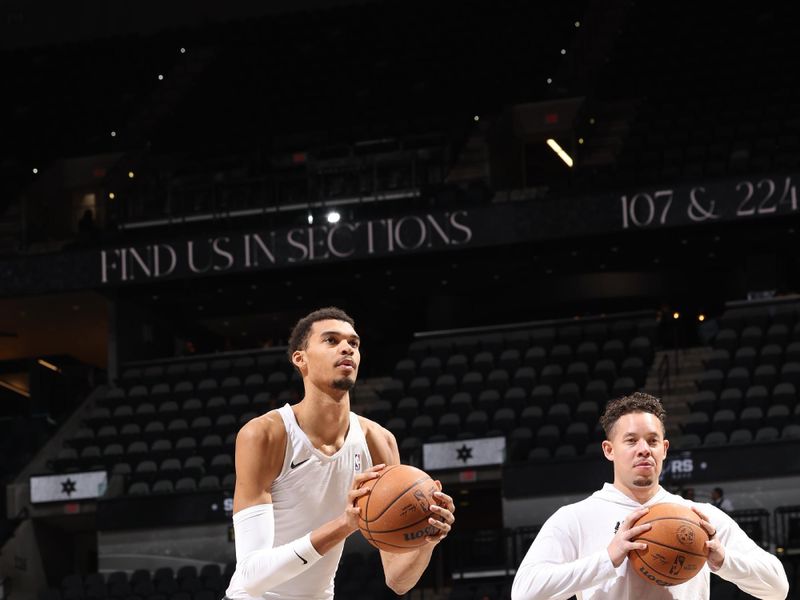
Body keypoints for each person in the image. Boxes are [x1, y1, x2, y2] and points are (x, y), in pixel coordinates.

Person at [224, 307, 455, 600]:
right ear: (300, 359)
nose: (347, 347)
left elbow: (398, 581)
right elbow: (250, 577)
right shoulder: (265, 434)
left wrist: (427, 536)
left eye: (354, 343)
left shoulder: (379, 440)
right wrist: (345, 525)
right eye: (331, 340)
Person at [511, 392, 788, 600]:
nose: (644, 449)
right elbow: (523, 593)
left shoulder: (701, 518)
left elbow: (778, 588)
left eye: (652, 440)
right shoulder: (575, 518)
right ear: (609, 450)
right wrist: (607, 559)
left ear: (664, 449)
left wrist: (724, 560)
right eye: (631, 440)